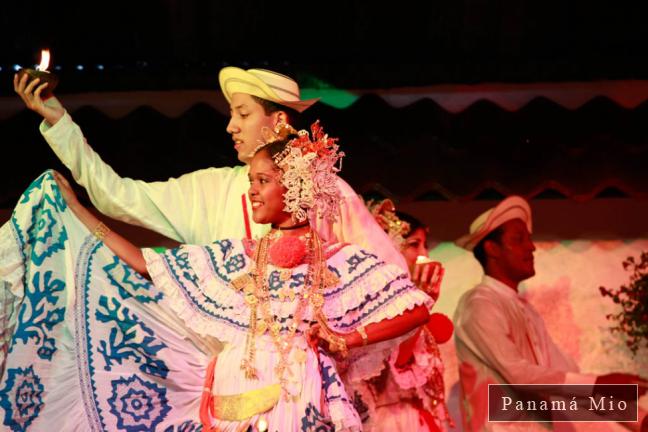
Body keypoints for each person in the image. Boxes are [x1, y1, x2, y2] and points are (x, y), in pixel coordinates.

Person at [0, 121, 432, 431]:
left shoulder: (339, 260)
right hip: (232, 392)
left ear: (296, 188)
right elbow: (145, 264)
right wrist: (80, 214)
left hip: (300, 393)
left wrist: (344, 339)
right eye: (251, 180)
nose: (252, 190)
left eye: (262, 180)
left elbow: (415, 308)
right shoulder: (238, 255)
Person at [13, 66, 407, 270]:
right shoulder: (212, 189)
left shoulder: (328, 193)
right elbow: (118, 196)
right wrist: (60, 124)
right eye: (231, 113)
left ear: (280, 121)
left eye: (243, 113)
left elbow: (386, 272)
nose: (230, 125)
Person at [453, 195, 648, 432]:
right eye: (519, 239)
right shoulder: (479, 305)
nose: (532, 247)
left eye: (529, 239)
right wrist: (599, 384)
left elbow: (563, 380)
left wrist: (638, 418)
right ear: (492, 248)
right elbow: (520, 375)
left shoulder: (526, 312)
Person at [350, 199, 454, 432]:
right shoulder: (371, 303)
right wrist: (420, 307)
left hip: (416, 417)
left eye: (425, 245)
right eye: (414, 244)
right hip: (390, 422)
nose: (424, 254)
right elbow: (398, 361)